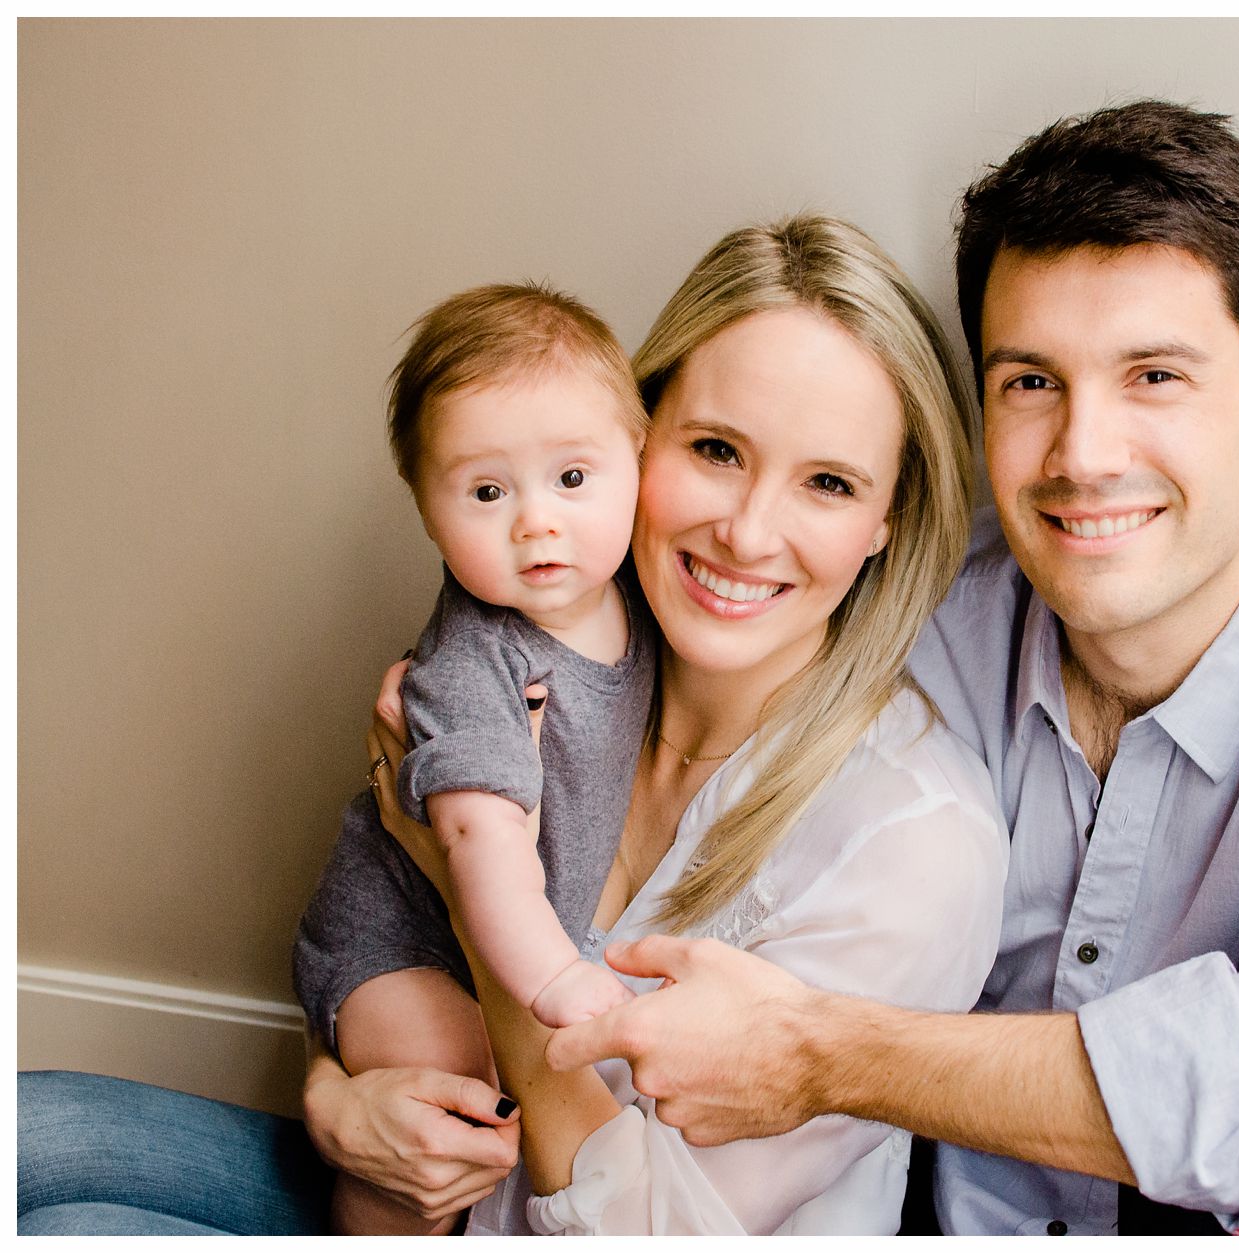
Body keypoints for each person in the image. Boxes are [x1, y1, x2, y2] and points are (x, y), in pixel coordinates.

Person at [538, 101, 1239, 1236]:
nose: (1082, 454)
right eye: (1030, 380)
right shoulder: (913, 604)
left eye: (1153, 376)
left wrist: (821, 1054)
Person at [18, 214, 1009, 1236]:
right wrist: (338, 1102)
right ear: (637, 432)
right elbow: (380, 921)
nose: (748, 532)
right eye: (716, 449)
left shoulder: (912, 841)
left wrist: (469, 894)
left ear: (889, 516)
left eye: (828, 483)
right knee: (25, 1132)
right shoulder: (558, 643)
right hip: (427, 1210)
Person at [292, 282, 655, 1233]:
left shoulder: (643, 607)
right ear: (426, 511)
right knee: (447, 1101)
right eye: (488, 492)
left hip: (478, 943)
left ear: (639, 460)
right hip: (403, 947)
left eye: (572, 479)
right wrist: (559, 983)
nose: (536, 521)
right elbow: (482, 852)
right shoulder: (476, 663)